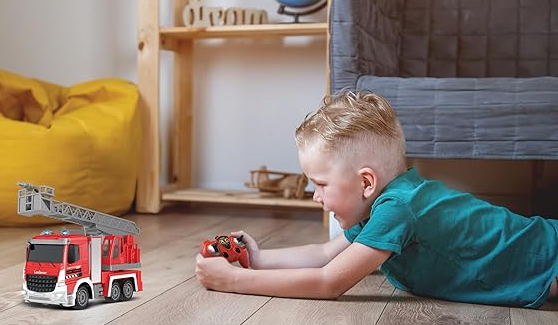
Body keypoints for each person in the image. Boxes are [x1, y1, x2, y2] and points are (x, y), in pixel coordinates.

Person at [195, 90, 558, 308]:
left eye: (320, 184)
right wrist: (258, 259)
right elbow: (325, 253)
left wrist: (234, 281)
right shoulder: (383, 204)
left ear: (366, 182)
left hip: (547, 255)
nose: (315, 195)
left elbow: (328, 282)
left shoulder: (398, 208)